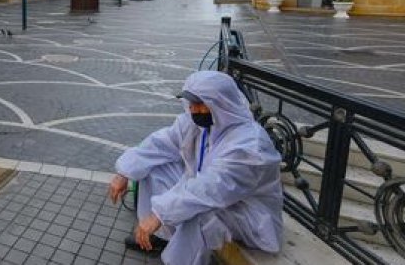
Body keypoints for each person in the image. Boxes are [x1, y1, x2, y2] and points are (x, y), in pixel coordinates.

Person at [108, 71, 283, 265]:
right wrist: (124, 172)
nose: (193, 109)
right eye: (191, 103)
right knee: (155, 168)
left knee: (201, 216)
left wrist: (160, 213)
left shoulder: (249, 146)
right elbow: (160, 143)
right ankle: (161, 238)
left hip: (246, 213)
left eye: (199, 104)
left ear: (220, 103)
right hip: (211, 195)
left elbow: (212, 189)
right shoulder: (197, 123)